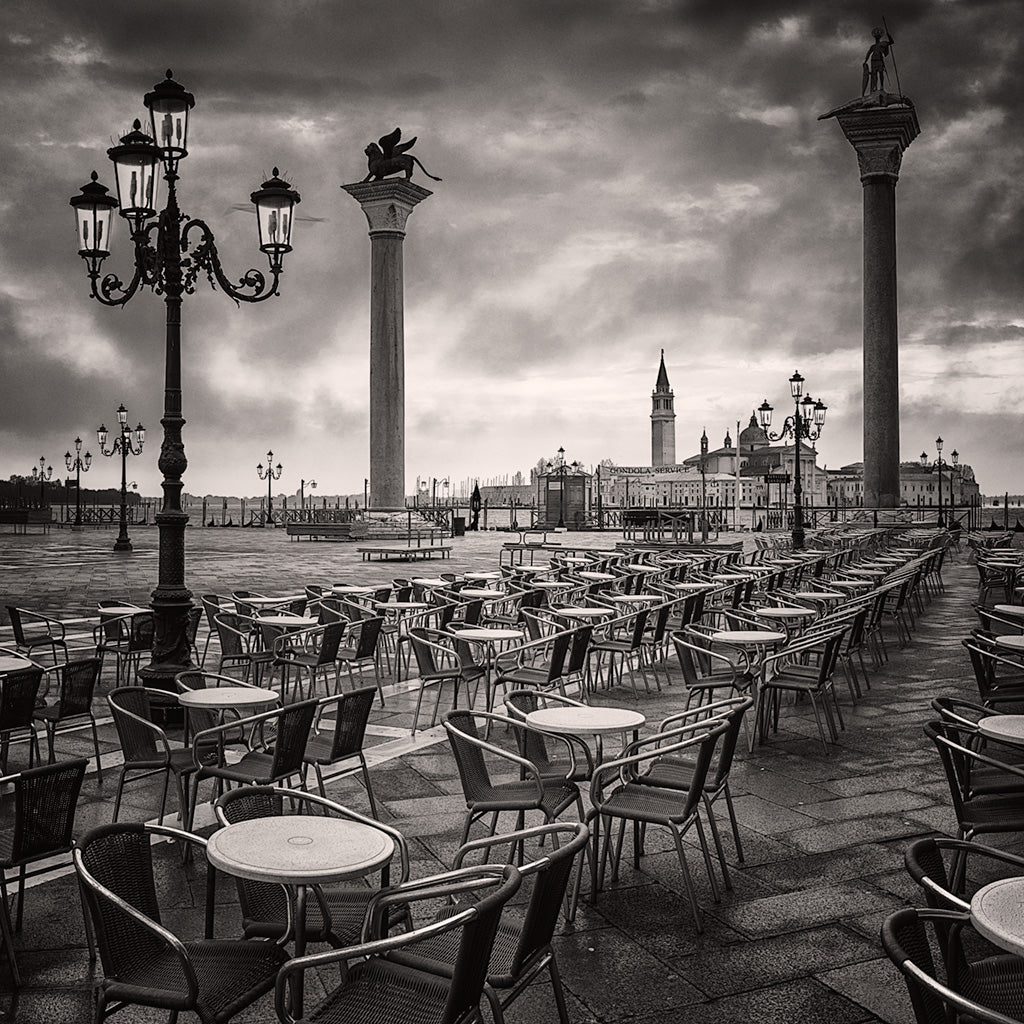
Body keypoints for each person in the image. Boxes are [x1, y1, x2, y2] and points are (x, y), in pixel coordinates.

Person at [862, 27, 894, 95]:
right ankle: (875, 87)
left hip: (879, 60)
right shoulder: (873, 46)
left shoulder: (883, 43)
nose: (877, 38)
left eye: (878, 37)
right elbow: (868, 53)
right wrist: (865, 61)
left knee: (881, 73)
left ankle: (881, 86)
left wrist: (889, 36)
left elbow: (891, 42)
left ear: (879, 38)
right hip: (873, 61)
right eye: (876, 37)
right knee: (874, 75)